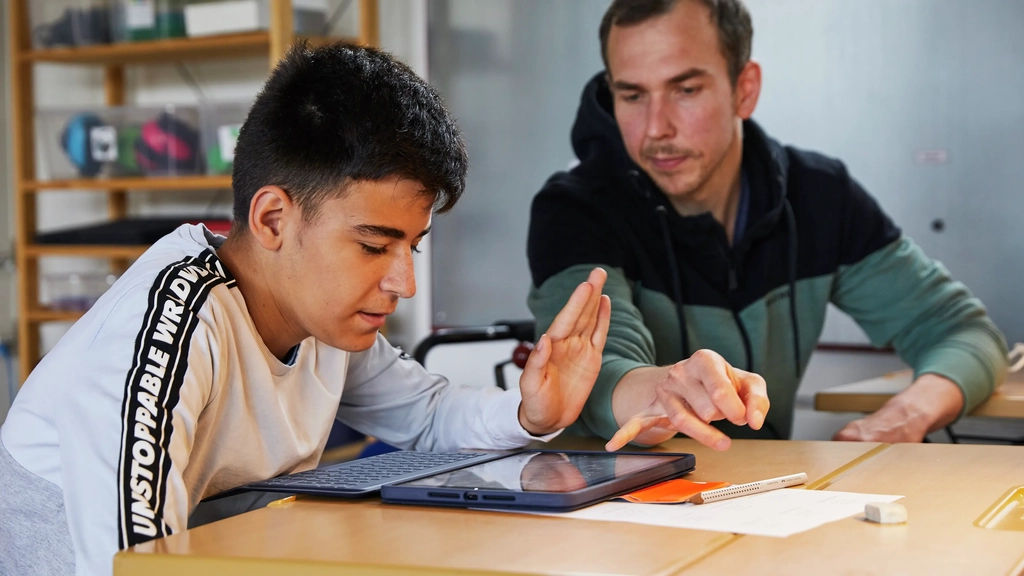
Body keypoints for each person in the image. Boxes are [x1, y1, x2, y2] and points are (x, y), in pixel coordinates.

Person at [0, 43, 613, 576]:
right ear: (273, 219)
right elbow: (131, 562)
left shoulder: (318, 318)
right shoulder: (161, 335)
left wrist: (530, 413)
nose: (404, 283)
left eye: (412, 245)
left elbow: (426, 416)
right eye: (373, 245)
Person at [527, 0, 1007, 452]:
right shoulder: (574, 209)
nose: (656, 128)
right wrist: (662, 394)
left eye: (686, 90)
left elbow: (960, 329)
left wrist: (905, 415)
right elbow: (593, 373)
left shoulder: (822, 195)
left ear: (744, 89)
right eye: (632, 95)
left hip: (772, 506)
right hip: (626, 517)